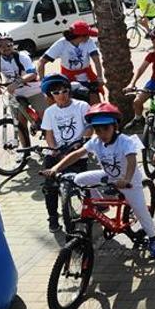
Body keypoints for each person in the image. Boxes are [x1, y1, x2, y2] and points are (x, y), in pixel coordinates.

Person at [43, 103, 155, 258]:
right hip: (108, 176)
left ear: (114, 126)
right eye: (97, 129)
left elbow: (131, 161)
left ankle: (153, 239)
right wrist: (56, 168)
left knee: (141, 211)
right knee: (77, 179)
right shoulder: (95, 141)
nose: (101, 133)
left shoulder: (125, 141)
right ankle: (100, 201)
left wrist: (126, 180)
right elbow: (77, 154)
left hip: (129, 181)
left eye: (105, 128)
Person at [39, 74, 91, 232]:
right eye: (56, 93)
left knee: (81, 181)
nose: (61, 95)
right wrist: (54, 149)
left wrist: (82, 141)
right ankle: (53, 217)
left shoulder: (82, 106)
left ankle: (90, 209)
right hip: (58, 152)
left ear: (69, 91)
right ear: (50, 95)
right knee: (49, 185)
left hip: (78, 152)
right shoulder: (49, 112)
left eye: (64, 91)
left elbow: (89, 127)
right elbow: (49, 135)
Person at [0, 31, 44, 150]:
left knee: (45, 116)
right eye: (1, 46)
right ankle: (26, 151)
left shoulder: (22, 56)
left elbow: (32, 73)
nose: (6, 48)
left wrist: (17, 82)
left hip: (33, 90)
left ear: (13, 44)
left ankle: (54, 145)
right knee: (19, 122)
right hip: (15, 93)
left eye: (9, 45)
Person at [38, 20, 105, 104]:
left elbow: (96, 60)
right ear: (81, 36)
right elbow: (41, 62)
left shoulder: (89, 42)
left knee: (95, 101)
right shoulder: (61, 44)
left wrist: (99, 78)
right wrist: (42, 81)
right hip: (67, 78)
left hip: (87, 76)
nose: (89, 37)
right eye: (88, 34)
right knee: (66, 102)